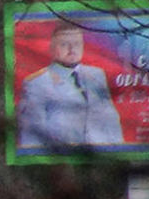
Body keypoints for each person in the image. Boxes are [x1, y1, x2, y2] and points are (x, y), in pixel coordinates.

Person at [17, 21, 124, 149]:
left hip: (101, 159)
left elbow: (110, 120)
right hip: (64, 162)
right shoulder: (37, 83)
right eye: (64, 44)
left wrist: (119, 154)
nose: (72, 49)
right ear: (51, 48)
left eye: (77, 44)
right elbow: (31, 136)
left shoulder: (96, 75)